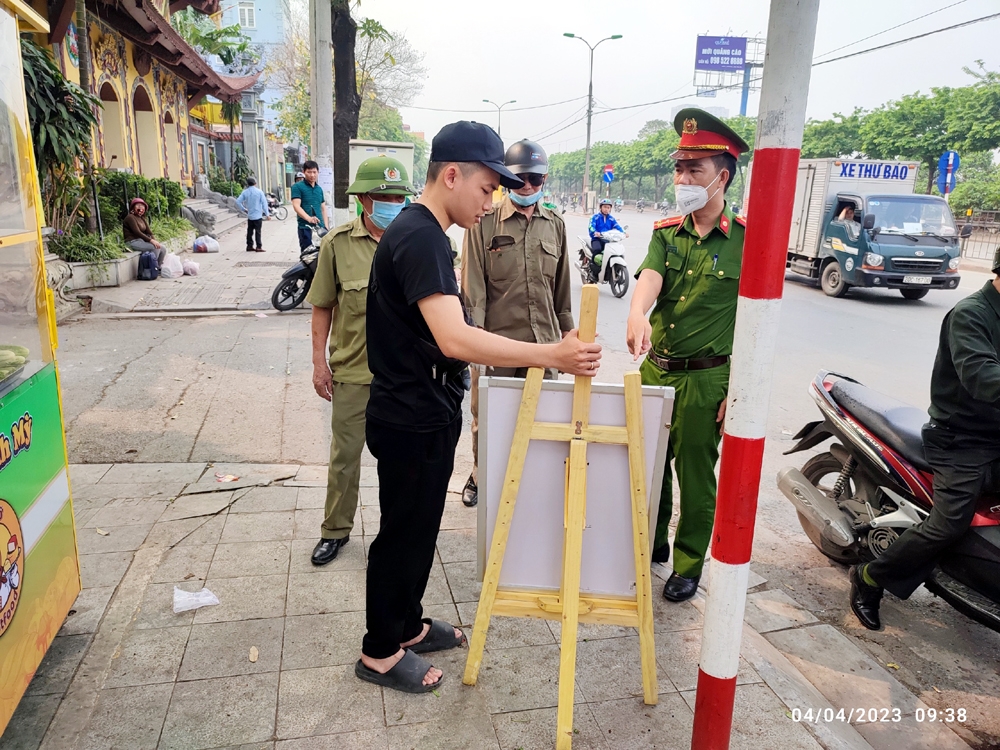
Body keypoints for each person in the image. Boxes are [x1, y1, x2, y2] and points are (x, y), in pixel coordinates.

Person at [357, 121, 601, 694]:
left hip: (426, 408)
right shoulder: (419, 237)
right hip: (409, 414)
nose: (490, 199)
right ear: (451, 175)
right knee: (402, 532)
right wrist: (552, 355)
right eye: (487, 187)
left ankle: (408, 626)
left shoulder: (427, 234)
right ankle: (380, 651)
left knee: (421, 529)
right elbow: (456, 338)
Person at [625, 108, 749, 603]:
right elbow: (649, 282)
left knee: (695, 473)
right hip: (658, 371)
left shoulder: (746, 240)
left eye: (693, 170)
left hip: (706, 380)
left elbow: (758, 325)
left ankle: (689, 562)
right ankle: (651, 545)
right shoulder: (665, 231)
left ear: (721, 176)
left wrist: (737, 390)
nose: (682, 178)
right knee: (649, 464)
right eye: (679, 168)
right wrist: (637, 313)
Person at [849, 250, 1000, 630]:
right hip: (960, 440)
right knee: (949, 523)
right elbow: (981, 376)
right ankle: (871, 577)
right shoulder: (972, 314)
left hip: (995, 436)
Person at [306, 155, 415, 566]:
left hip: (403, 377)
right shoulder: (337, 244)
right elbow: (322, 307)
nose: (391, 202)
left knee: (402, 462)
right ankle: (335, 530)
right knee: (345, 458)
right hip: (354, 373)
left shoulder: (414, 241)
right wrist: (319, 364)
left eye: (397, 195)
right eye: (383, 195)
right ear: (364, 200)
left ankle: (399, 535)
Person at [459, 139, 574, 508]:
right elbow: (472, 286)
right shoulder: (484, 222)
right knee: (489, 419)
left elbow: (563, 288)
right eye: (519, 180)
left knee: (546, 418)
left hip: (545, 348)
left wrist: (569, 333)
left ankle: (533, 483)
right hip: (498, 346)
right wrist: (473, 343)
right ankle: (482, 475)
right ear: (506, 180)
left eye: (536, 180)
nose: (527, 188)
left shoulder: (555, 225)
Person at [291, 160, 329, 251]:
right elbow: (296, 206)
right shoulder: (297, 187)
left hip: (320, 228)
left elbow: (323, 209)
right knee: (307, 255)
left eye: (314, 172)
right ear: (304, 172)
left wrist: (326, 227)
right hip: (305, 228)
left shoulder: (319, 189)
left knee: (322, 254)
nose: (312, 175)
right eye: (309, 172)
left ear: (318, 172)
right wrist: (309, 218)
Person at [122, 198, 164, 264]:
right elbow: (137, 232)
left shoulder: (141, 218)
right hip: (132, 242)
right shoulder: (130, 217)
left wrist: (155, 241)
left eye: (142, 206)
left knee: (162, 248)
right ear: (133, 208)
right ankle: (151, 268)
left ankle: (157, 268)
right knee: (155, 248)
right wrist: (151, 241)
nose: (140, 208)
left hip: (141, 241)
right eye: (138, 206)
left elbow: (149, 232)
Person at [235, 176, 270, 252]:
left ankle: (249, 246)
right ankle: (258, 247)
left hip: (250, 216)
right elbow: (264, 203)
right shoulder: (259, 192)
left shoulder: (245, 192)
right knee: (258, 232)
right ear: (255, 183)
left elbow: (237, 201)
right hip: (258, 216)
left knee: (250, 232)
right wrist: (267, 214)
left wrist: (244, 209)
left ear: (248, 184)